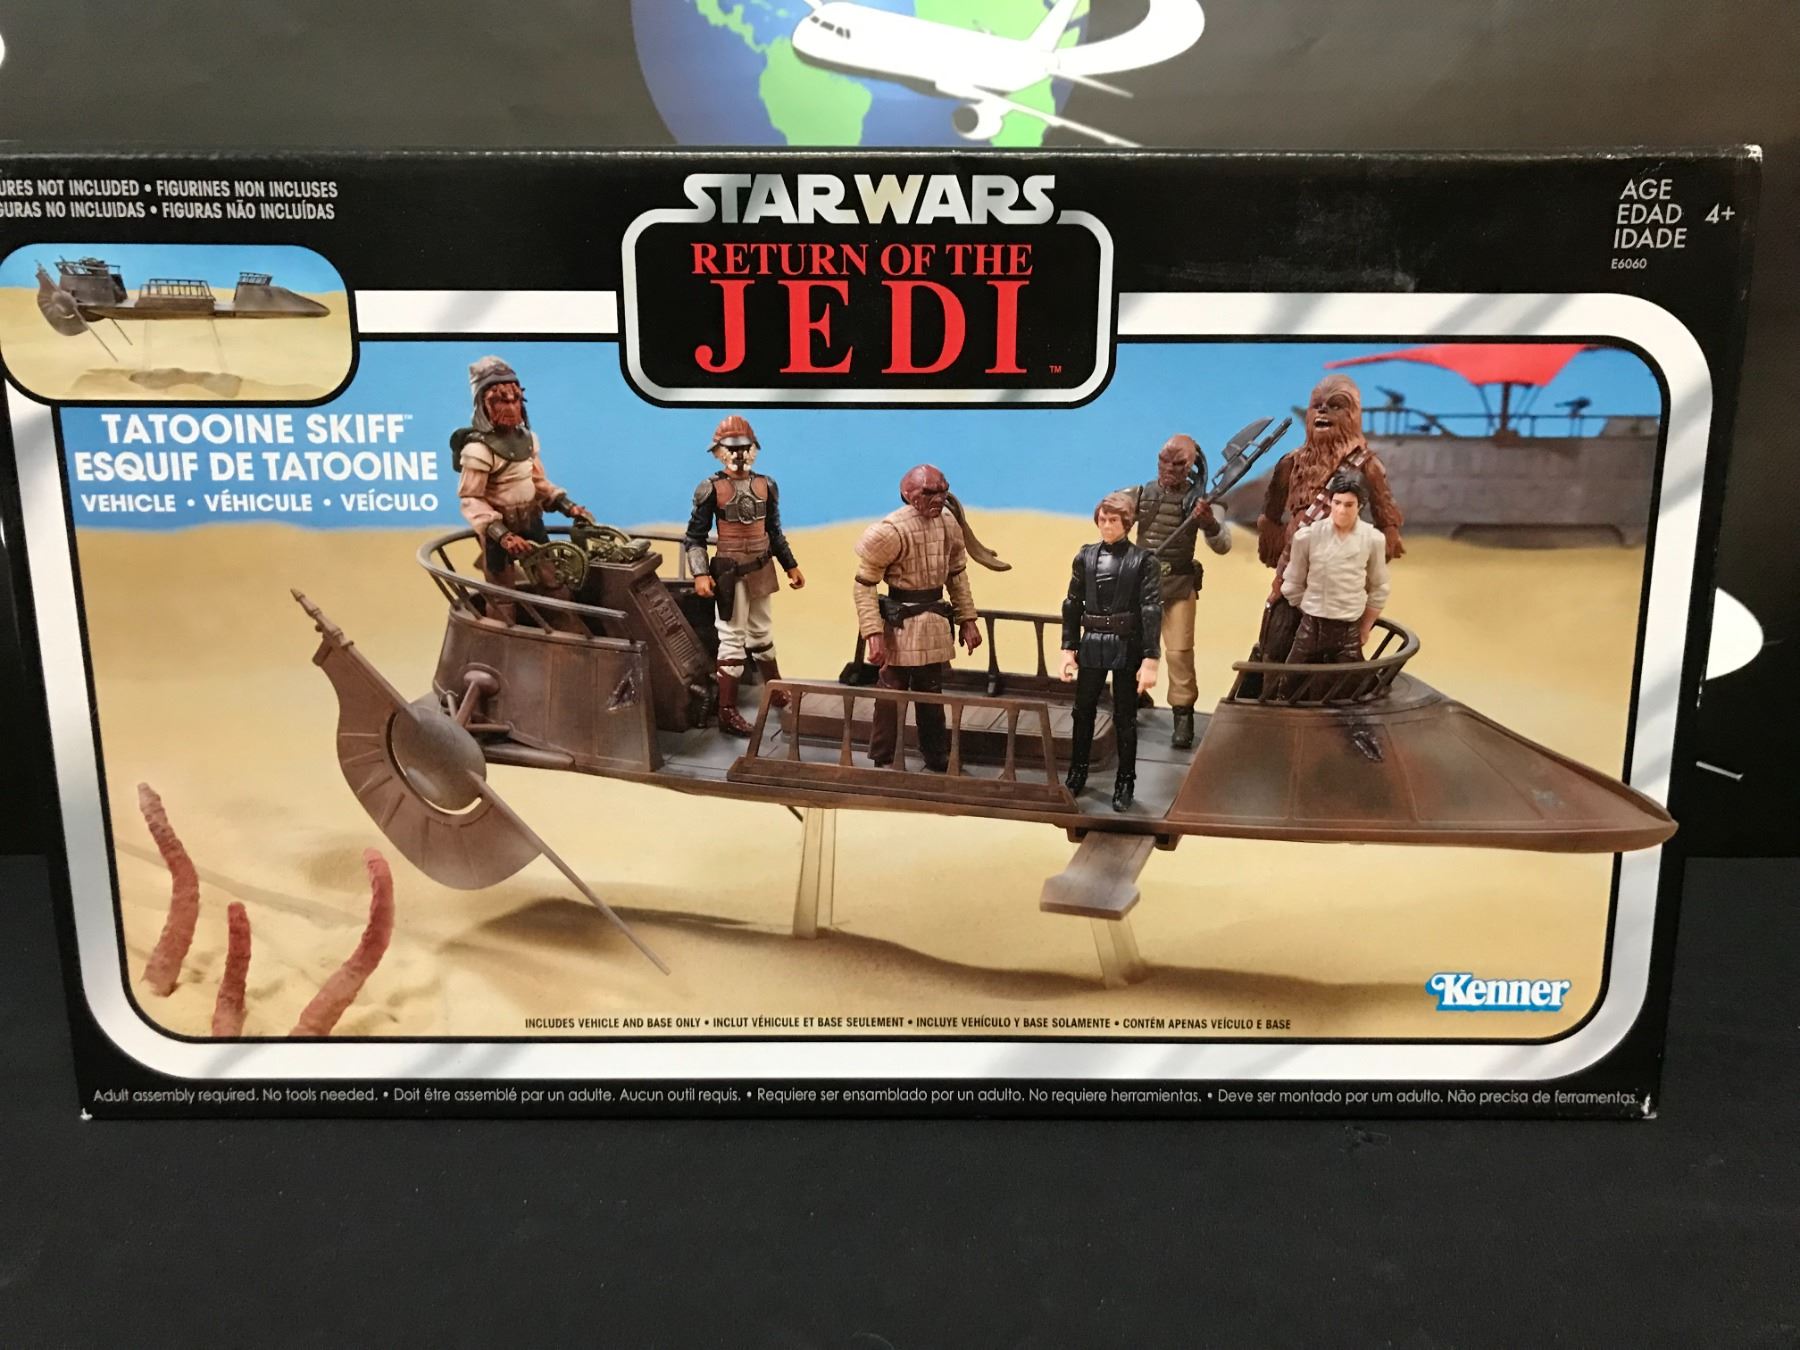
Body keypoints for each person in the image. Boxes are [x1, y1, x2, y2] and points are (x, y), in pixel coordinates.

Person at [1254, 374, 1403, 664]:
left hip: (1340, 587)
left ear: (1352, 416)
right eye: (1317, 406)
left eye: (1335, 406)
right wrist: (1281, 555)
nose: (1323, 411)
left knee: (1337, 657)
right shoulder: (1291, 463)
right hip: (1293, 575)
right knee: (1275, 646)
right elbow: (1269, 518)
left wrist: (1363, 564)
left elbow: (1387, 520)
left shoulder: (1367, 466)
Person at [852, 464, 983, 771]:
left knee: (931, 695)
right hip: (900, 625)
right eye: (929, 492)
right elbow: (864, 585)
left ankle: (936, 755)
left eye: (943, 491)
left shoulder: (948, 524)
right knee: (890, 694)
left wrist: (967, 619)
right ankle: (883, 757)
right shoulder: (890, 531)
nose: (938, 498)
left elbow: (957, 575)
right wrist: (873, 634)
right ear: (909, 495)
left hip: (933, 623)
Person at [683, 415, 804, 736]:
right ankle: (726, 710)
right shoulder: (711, 488)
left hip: (761, 569)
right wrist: (700, 573)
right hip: (730, 573)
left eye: (744, 447)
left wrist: (790, 565)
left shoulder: (767, 485)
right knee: (732, 639)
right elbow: (694, 537)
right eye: (731, 448)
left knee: (762, 632)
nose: (738, 454)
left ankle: (774, 689)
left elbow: (774, 531)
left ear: (754, 449)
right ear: (718, 452)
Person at [452, 356, 593, 626]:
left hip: (531, 521)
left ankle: (568, 635)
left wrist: (566, 505)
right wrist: (502, 535)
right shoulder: (478, 450)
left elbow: (538, 482)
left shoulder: (528, 440)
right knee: (502, 595)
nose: (510, 407)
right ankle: (503, 638)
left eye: (515, 399)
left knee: (553, 582)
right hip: (499, 533)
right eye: (500, 401)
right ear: (483, 404)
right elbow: (471, 499)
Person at [1115, 433, 1230, 749]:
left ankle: (1183, 714)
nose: (1168, 468)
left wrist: (1208, 523)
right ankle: (1131, 699)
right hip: (1141, 586)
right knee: (1130, 646)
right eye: (1164, 460)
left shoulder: (1202, 503)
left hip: (1178, 587)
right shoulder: (1141, 494)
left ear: (1191, 466)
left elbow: (1223, 545)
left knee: (1179, 654)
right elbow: (1108, 517)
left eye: (1178, 464)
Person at [1060, 492, 1162, 811]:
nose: (1106, 525)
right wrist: (1068, 648)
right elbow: (1072, 603)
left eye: (1113, 520)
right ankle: (1077, 772)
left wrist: (1150, 659)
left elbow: (1151, 609)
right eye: (1102, 519)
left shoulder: (1143, 561)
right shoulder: (1086, 557)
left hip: (1126, 645)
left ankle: (1125, 781)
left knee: (1125, 717)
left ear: (1127, 523)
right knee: (1082, 711)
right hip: (1092, 642)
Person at [1279, 472, 1392, 674]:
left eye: (1349, 504)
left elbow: (1379, 587)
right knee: (1290, 681)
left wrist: (1365, 627)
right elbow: (1292, 583)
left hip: (1348, 630)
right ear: (1330, 502)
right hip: (1311, 628)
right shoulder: (1308, 536)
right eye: (1337, 502)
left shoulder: (1372, 539)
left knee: (1350, 684)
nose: (1341, 510)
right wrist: (1310, 608)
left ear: (1360, 506)